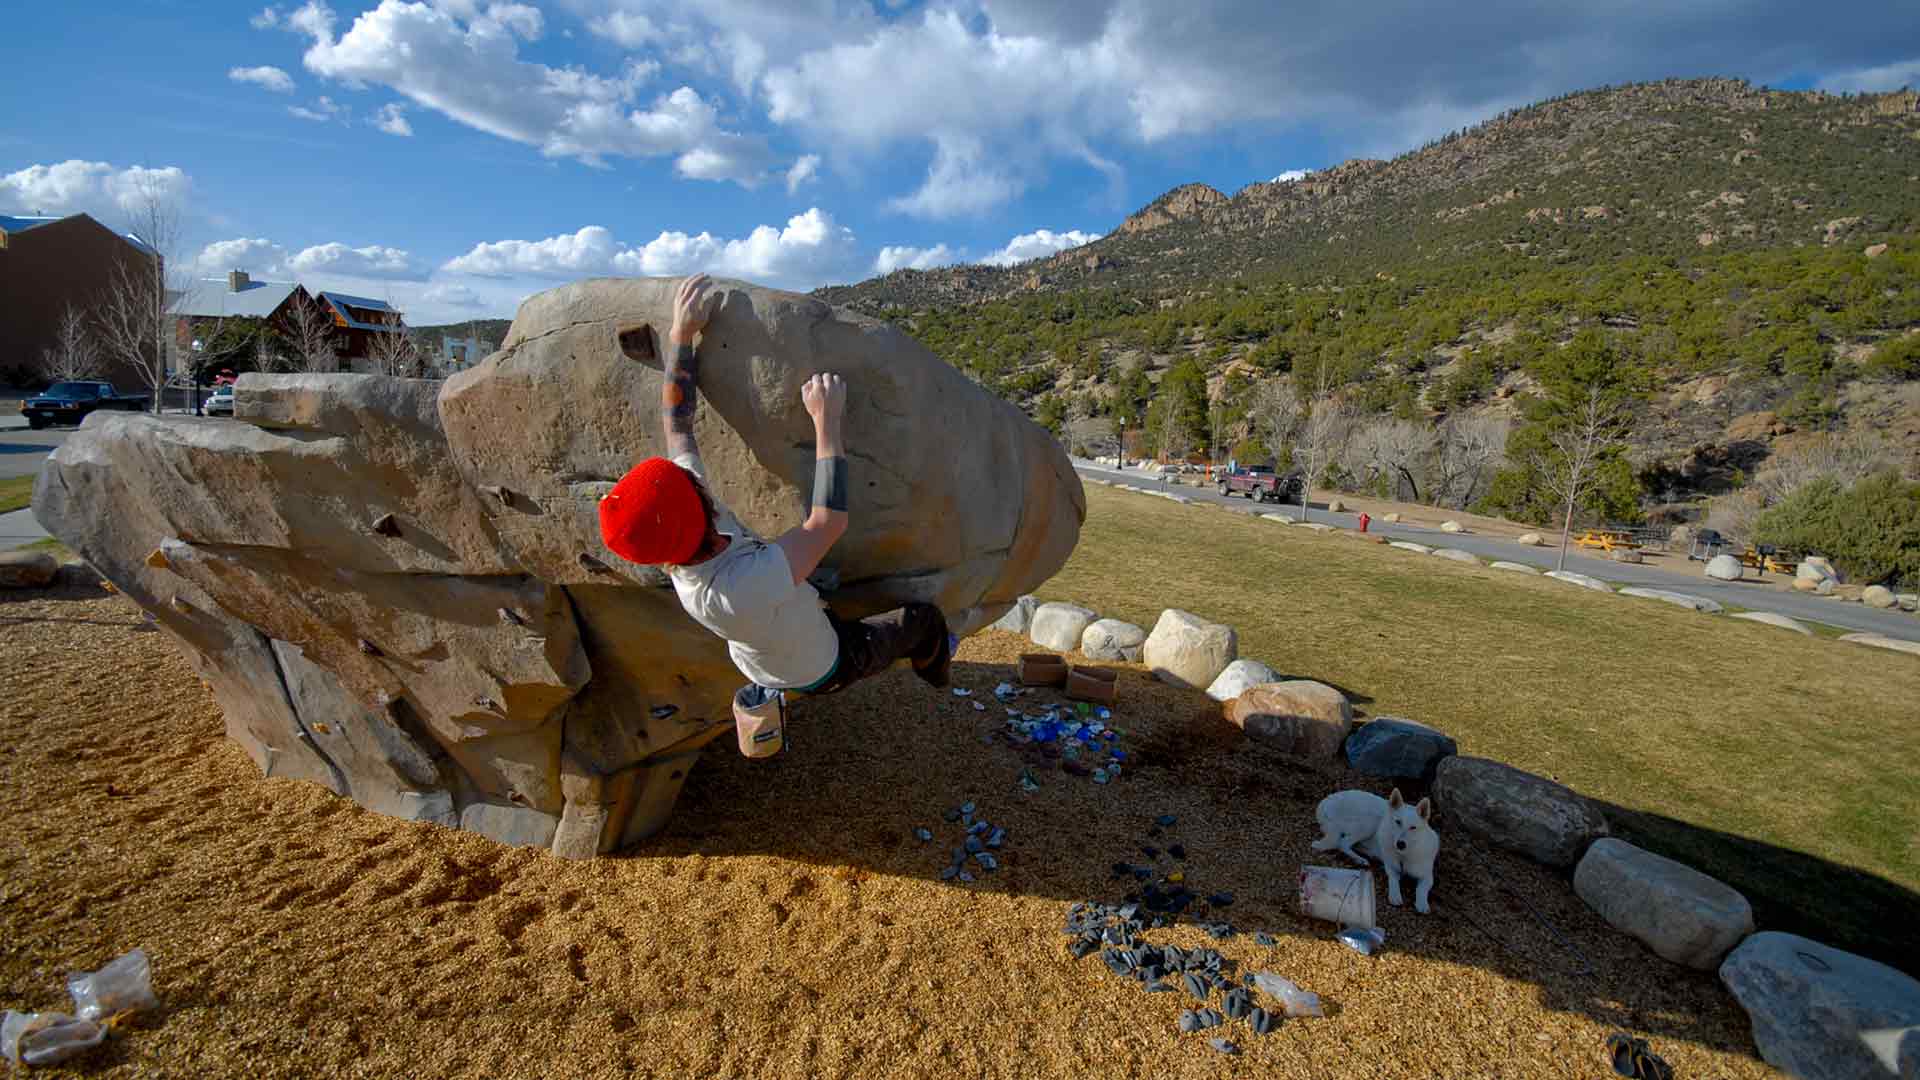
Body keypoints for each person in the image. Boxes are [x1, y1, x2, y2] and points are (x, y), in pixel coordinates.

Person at [596, 274, 953, 745]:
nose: (690, 475)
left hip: (761, 651)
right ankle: (936, 670)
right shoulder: (740, 585)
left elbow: (678, 426)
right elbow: (828, 521)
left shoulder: (685, 541)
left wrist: (681, 335)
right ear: (697, 505)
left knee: (801, 599)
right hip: (825, 664)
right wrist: (828, 422)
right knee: (918, 622)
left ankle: (769, 689)